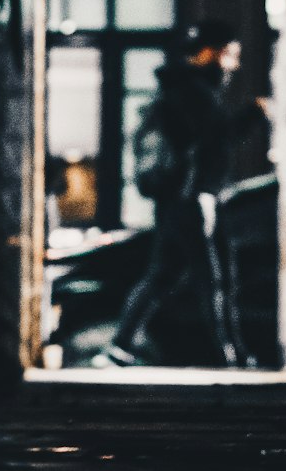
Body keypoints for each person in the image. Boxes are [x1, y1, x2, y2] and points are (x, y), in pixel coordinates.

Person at [98, 19, 262, 368]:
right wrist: (255, 114)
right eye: (228, 55)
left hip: (179, 198)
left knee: (164, 274)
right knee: (216, 278)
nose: (232, 65)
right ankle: (231, 354)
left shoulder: (180, 88)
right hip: (194, 197)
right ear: (207, 52)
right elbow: (216, 138)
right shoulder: (193, 92)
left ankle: (119, 346)